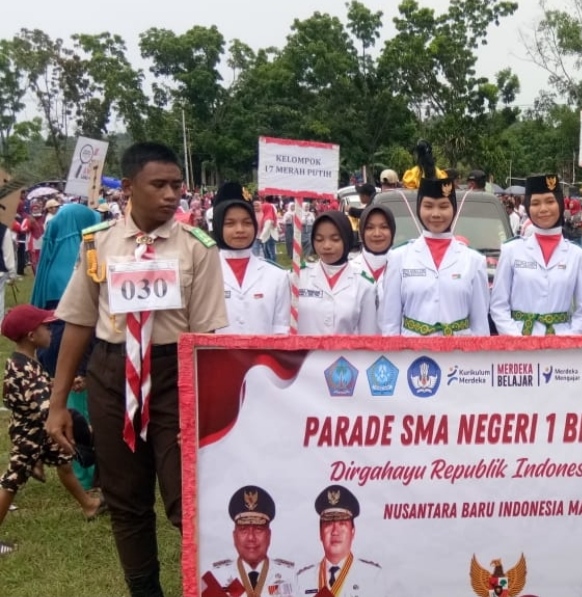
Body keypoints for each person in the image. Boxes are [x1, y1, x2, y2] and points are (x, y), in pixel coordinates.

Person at [45, 142, 229, 597]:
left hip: (175, 375)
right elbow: (78, 322)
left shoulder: (197, 248)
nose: (171, 195)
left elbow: (206, 337)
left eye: (177, 186)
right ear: (128, 187)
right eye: (159, 185)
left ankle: (213, 585)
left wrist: (203, 405)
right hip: (112, 372)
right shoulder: (98, 243)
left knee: (188, 498)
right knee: (126, 501)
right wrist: (57, 403)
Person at [0, 305, 105, 556]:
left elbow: (39, 388)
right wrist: (82, 427)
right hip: (30, 437)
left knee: (64, 463)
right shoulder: (27, 370)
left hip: (35, 430)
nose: (51, 332)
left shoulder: (21, 362)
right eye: (45, 327)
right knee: (11, 482)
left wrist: (64, 384)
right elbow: (46, 406)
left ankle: (89, 505)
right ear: (31, 336)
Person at [30, 203, 101, 489]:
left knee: (63, 406)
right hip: (79, 348)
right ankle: (86, 472)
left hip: (50, 346)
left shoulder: (51, 259)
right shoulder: (84, 259)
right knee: (81, 411)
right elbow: (84, 318)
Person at [379, 177, 490, 336]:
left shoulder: (474, 260)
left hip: (460, 350)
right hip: (412, 350)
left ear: (454, 208)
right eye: (428, 206)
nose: (436, 214)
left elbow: (480, 325)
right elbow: (390, 324)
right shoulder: (398, 257)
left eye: (443, 206)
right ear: (419, 207)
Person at [490, 174, 582, 335]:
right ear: (528, 207)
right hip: (519, 340)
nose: (543, 209)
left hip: (561, 342)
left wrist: (567, 339)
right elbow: (498, 306)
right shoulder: (511, 250)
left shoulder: (578, 256)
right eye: (535, 203)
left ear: (560, 204)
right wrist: (517, 339)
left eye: (550, 201)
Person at [213, 183, 291, 335]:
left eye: (247, 222)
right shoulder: (202, 275)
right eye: (230, 223)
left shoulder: (277, 276)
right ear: (217, 226)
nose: (240, 230)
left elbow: (281, 330)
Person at [201, 486, 294, 597]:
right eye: (243, 529)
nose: (251, 537)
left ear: (269, 535)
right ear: (234, 536)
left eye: (258, 529)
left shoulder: (291, 576)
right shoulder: (215, 578)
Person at [298, 211, 378, 335]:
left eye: (335, 239)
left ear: (347, 239)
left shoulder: (364, 284)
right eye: (319, 239)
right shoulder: (299, 277)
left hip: (347, 349)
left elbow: (369, 335)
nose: (326, 246)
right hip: (304, 348)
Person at [295, 485, 382, 597]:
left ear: (353, 531)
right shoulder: (302, 580)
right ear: (320, 533)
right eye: (328, 524)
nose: (335, 531)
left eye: (342, 523)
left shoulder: (373, 576)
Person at [351, 203, 397, 285]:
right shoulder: (350, 270)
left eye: (384, 227)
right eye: (370, 227)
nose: (377, 234)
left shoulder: (404, 267)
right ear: (362, 232)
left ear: (392, 231)